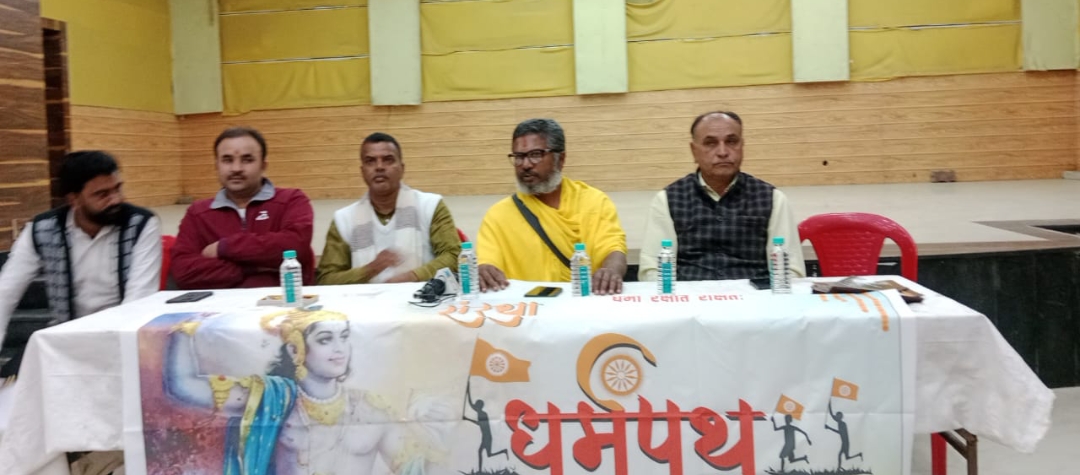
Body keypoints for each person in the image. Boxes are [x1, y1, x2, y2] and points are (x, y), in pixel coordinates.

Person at [164, 309, 450, 475]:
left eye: (344, 337)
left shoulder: (372, 408)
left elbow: (414, 470)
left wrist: (432, 431)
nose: (339, 349)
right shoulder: (272, 399)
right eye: (325, 340)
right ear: (294, 350)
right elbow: (183, 385)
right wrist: (183, 331)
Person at [0, 151, 162, 354]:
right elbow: (6, 291)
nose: (116, 199)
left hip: (124, 341)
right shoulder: (42, 229)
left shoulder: (141, 224)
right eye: (102, 194)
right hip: (66, 341)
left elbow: (138, 301)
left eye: (117, 189)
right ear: (74, 199)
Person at [638, 111, 805, 281]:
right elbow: (653, 270)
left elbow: (790, 270)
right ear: (694, 151)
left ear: (742, 146)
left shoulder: (772, 199)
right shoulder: (668, 199)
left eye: (731, 142)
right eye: (710, 143)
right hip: (690, 295)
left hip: (755, 295)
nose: (723, 152)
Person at [476, 119, 627, 295]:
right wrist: (484, 270)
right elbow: (488, 261)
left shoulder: (594, 202)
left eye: (536, 154)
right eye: (519, 157)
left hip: (584, 304)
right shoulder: (498, 216)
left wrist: (611, 271)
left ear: (560, 159)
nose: (526, 164)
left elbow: (613, 248)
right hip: (527, 308)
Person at [171, 127, 315, 289]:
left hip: (283, 301)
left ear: (263, 165)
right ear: (216, 165)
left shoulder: (291, 200)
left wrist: (224, 247)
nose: (236, 168)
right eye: (227, 160)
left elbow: (295, 246)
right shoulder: (198, 213)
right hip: (220, 304)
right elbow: (183, 271)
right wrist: (250, 268)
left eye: (247, 160)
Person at [317, 133, 461, 285]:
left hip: (422, 296)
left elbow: (455, 256)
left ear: (402, 168)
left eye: (388, 159)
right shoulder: (344, 219)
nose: (379, 167)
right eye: (370, 161)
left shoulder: (430, 206)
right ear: (362, 171)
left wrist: (413, 276)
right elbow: (326, 279)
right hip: (365, 300)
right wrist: (370, 269)